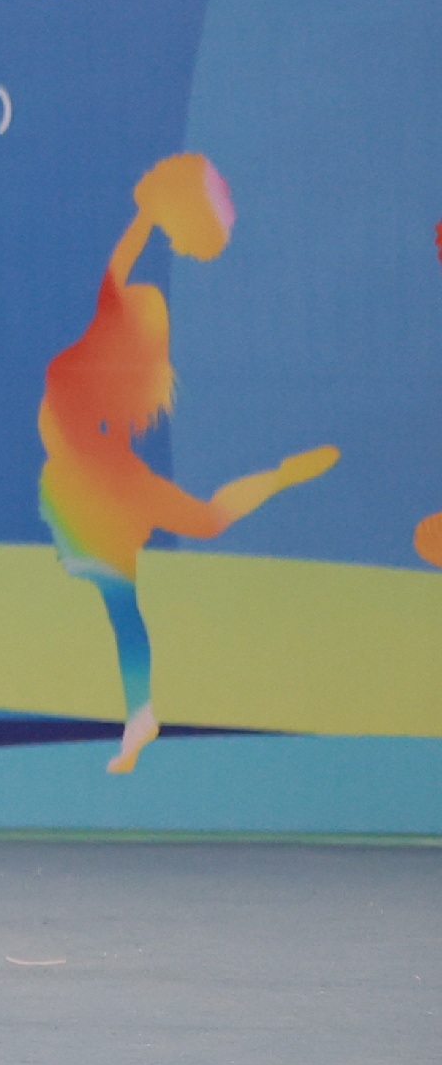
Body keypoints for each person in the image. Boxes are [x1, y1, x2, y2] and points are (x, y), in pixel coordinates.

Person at [36, 152, 337, 769]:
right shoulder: (118, 357)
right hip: (96, 481)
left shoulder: (105, 345)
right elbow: (120, 271)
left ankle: (140, 715)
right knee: (167, 558)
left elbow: (118, 269)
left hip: (95, 483)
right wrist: (154, 211)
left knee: (132, 587)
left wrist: (148, 215)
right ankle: (140, 714)